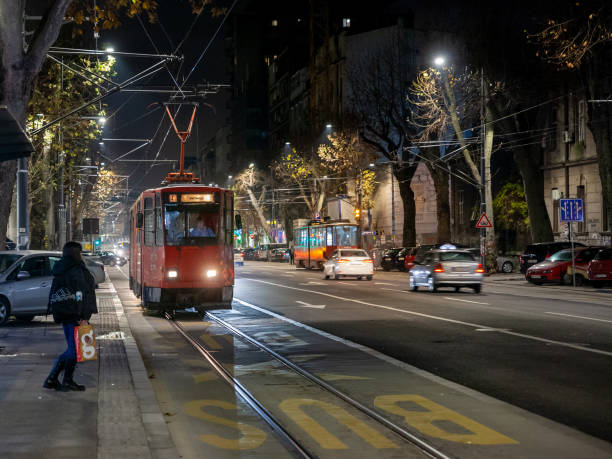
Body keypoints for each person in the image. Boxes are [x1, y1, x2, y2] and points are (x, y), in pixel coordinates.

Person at [43, 241, 97, 392]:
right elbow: (80, 294)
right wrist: (82, 315)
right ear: (75, 254)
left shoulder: (62, 268)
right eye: (80, 252)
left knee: (74, 349)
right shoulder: (75, 270)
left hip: (65, 312)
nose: (81, 255)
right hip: (74, 315)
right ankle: (60, 380)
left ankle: (56, 379)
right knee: (74, 351)